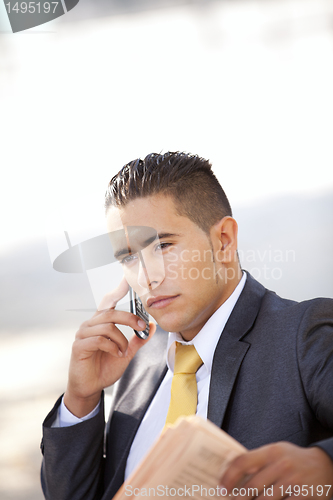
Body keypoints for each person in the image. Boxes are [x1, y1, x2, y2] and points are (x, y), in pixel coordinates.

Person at [41, 152, 333, 500]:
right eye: (128, 257)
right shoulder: (137, 359)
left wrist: (325, 465)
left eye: (163, 245)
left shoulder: (304, 335)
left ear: (224, 240)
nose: (147, 277)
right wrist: (81, 396)